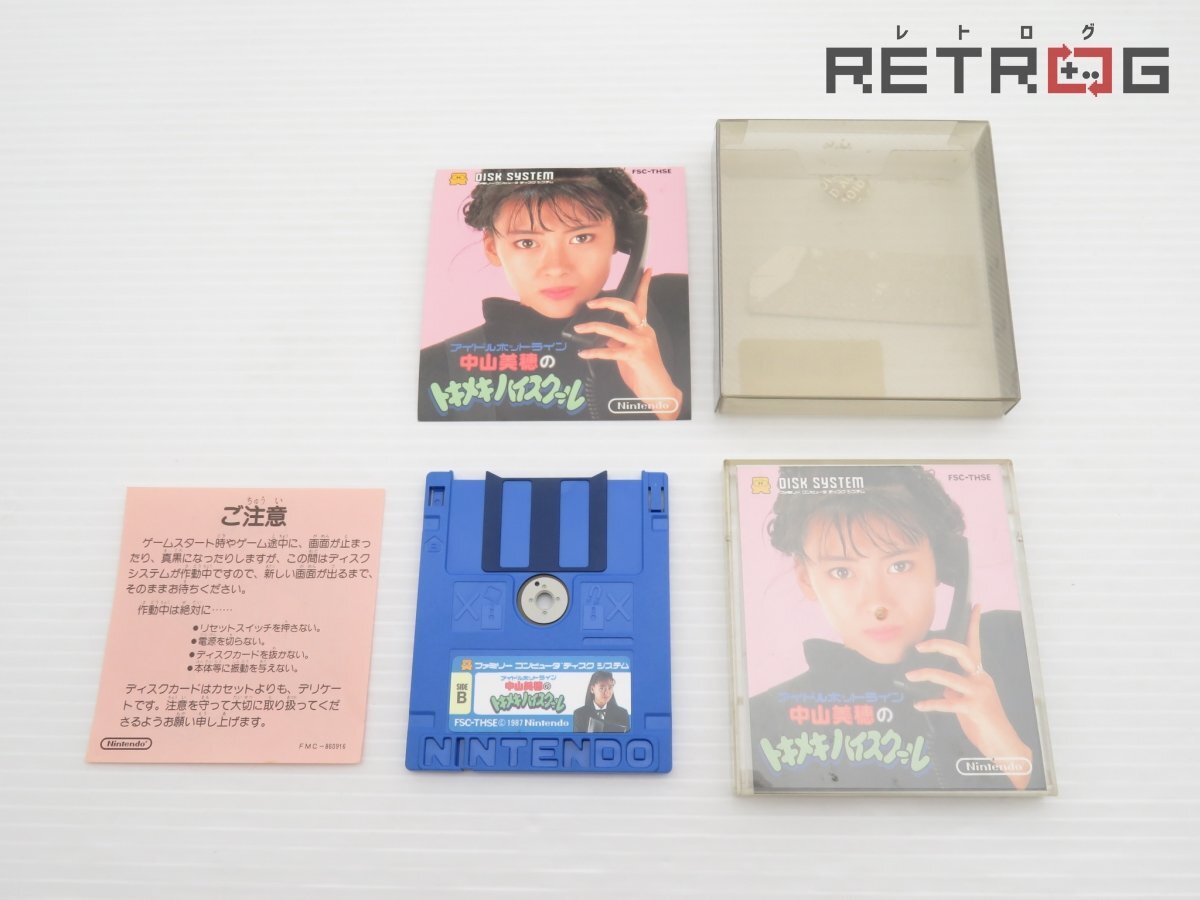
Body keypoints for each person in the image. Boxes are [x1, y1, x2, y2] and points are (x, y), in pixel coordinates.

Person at [748, 465, 1045, 792]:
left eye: (899, 565)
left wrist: (1005, 746)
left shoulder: (1014, 646)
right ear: (806, 579)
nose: (878, 604)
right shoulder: (762, 722)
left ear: (943, 564)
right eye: (842, 572)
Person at [418, 168, 690, 420]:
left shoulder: (677, 305)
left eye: (581, 238)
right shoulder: (437, 367)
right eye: (527, 242)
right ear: (492, 248)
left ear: (621, 238)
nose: (556, 268)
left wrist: (667, 401)